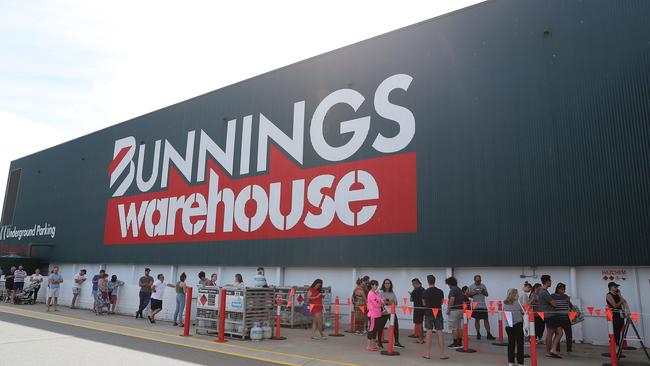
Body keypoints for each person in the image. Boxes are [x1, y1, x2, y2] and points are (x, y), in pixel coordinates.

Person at [423, 275, 448, 360]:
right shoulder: (440, 291)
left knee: (428, 333)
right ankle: (442, 354)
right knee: (440, 333)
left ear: (428, 281)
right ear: (435, 281)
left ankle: (427, 354)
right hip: (438, 314)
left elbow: (424, 303)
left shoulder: (425, 292)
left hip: (428, 314)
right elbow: (441, 302)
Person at [538, 274, 562, 358]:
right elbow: (553, 303)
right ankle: (549, 351)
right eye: (550, 281)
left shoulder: (543, 291)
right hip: (550, 315)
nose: (551, 282)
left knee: (559, 332)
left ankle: (553, 349)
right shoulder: (544, 292)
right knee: (550, 334)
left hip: (550, 314)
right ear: (547, 281)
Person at [469, 274, 495, 340]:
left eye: (480, 281)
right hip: (476, 306)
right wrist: (475, 292)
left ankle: (488, 334)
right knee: (477, 320)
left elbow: (487, 294)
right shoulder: (471, 286)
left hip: (483, 305)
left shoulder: (483, 286)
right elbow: (468, 295)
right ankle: (478, 333)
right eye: (477, 281)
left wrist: (483, 291)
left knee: (486, 320)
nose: (479, 282)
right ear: (474, 280)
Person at [503, 288, 525, 366]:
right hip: (518, 325)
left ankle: (510, 362)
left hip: (508, 326)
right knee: (520, 344)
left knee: (511, 344)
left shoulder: (504, 303)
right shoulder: (518, 303)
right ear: (513, 295)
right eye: (517, 294)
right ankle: (520, 363)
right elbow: (523, 312)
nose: (518, 295)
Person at [380, 278, 403, 348]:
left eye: (389, 283)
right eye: (386, 283)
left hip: (391, 312)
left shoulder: (392, 293)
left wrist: (388, 302)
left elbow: (395, 303)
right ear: (384, 284)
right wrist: (390, 302)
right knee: (380, 326)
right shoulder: (381, 292)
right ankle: (379, 341)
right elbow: (382, 302)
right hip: (384, 312)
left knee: (395, 326)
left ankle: (396, 341)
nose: (387, 285)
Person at [551, 283, 573, 352]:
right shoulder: (552, 296)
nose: (563, 291)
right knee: (558, 334)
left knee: (569, 335)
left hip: (566, 318)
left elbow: (571, 307)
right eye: (561, 289)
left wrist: (569, 302)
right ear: (557, 289)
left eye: (564, 289)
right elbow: (550, 305)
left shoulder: (566, 296)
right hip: (557, 318)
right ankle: (557, 349)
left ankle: (569, 349)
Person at [366, 279, 386, 351]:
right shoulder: (370, 293)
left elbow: (381, 300)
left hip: (378, 314)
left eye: (377, 285)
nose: (376, 286)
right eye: (375, 285)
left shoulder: (376, 293)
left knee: (375, 330)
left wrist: (382, 302)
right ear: (371, 285)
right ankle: (369, 345)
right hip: (372, 315)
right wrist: (381, 303)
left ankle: (373, 345)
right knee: (371, 329)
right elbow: (376, 304)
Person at [445, 276, 464, 349]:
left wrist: (448, 309)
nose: (448, 286)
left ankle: (455, 343)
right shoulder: (459, 289)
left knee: (454, 328)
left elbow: (452, 299)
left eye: (448, 284)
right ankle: (460, 343)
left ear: (450, 284)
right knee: (459, 327)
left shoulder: (453, 290)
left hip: (454, 310)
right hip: (461, 310)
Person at [606, 281, 625, 347]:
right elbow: (615, 305)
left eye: (617, 287)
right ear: (611, 287)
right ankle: (615, 344)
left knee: (619, 328)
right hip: (614, 313)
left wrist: (620, 295)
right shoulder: (609, 295)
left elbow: (624, 302)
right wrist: (621, 301)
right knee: (615, 329)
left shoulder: (617, 294)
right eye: (615, 287)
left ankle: (617, 343)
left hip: (620, 313)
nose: (616, 288)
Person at [410, 278, 425, 344]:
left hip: (417, 308)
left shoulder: (415, 291)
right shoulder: (423, 289)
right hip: (423, 308)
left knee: (419, 324)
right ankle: (421, 337)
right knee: (421, 323)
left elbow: (411, 299)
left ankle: (420, 339)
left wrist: (411, 294)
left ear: (415, 284)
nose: (413, 286)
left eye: (413, 284)